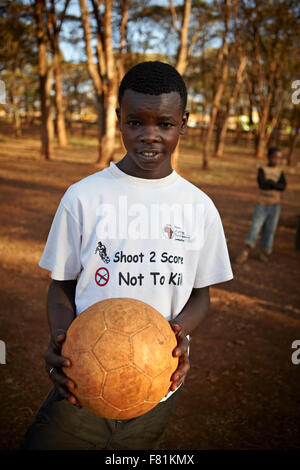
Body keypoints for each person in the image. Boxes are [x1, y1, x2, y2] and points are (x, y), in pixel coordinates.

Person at [20, 61, 233, 450]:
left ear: (183, 123)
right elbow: (61, 285)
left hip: (157, 385)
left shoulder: (199, 208)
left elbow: (201, 295)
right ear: (119, 120)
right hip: (81, 382)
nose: (149, 136)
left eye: (165, 124)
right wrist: (61, 337)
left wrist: (180, 332)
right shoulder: (83, 197)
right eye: (135, 122)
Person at [235, 147, 287, 264]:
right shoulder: (262, 169)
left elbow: (282, 187)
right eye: (275, 157)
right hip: (261, 204)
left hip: (275, 205)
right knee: (256, 227)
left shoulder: (280, 171)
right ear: (269, 157)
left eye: (279, 158)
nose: (277, 160)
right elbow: (262, 184)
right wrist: (274, 184)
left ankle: (264, 252)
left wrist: (271, 183)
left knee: (270, 229)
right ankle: (246, 250)